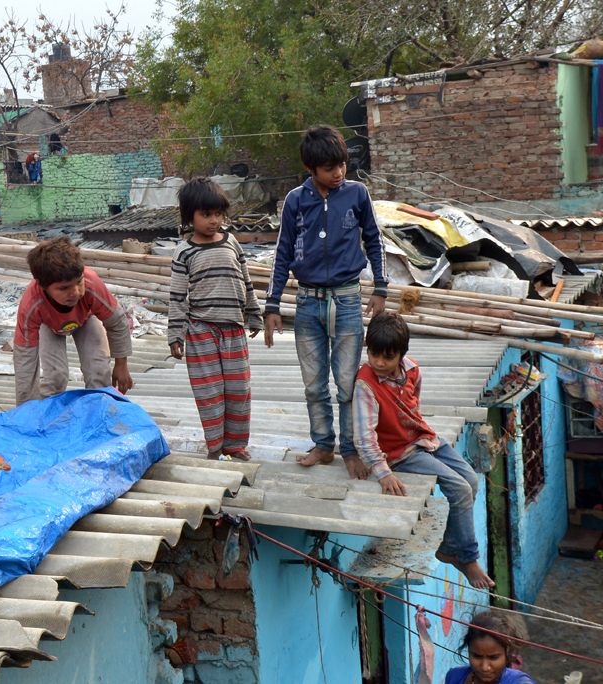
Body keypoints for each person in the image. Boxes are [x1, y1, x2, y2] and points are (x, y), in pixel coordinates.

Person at [263, 124, 387, 475]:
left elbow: (375, 240)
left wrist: (380, 287)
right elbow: (282, 252)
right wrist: (272, 305)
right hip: (307, 302)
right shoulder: (295, 201)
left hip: (348, 299)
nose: (339, 173)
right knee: (314, 383)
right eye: (330, 167)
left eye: (342, 165)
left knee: (347, 382)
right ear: (310, 168)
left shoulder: (357, 194)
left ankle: (350, 448)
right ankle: (323, 444)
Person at [353, 312, 494, 589]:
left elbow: (412, 407)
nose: (379, 363)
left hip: (423, 438)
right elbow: (364, 436)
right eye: (373, 354)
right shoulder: (365, 384)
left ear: (401, 355)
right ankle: (467, 557)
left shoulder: (413, 370)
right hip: (399, 453)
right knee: (460, 488)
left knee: (473, 479)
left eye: (387, 357)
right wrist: (383, 473)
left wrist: (425, 439)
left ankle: (449, 548)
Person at [168, 178, 263, 461]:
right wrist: (175, 334)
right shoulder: (184, 251)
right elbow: (177, 297)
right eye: (206, 215)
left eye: (218, 214)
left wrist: (254, 313)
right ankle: (215, 448)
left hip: (233, 329)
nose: (214, 221)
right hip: (200, 331)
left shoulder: (232, 242)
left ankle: (235, 446)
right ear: (189, 217)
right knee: (210, 393)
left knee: (238, 389)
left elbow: (246, 281)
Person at [13, 237, 134, 404]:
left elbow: (117, 322)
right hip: (49, 326)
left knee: (98, 372)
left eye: (78, 282)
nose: (75, 292)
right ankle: (48, 415)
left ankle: (97, 411)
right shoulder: (32, 305)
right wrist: (25, 410)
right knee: (56, 377)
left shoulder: (91, 283)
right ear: (42, 286)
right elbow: (25, 359)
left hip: (87, 318)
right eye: (63, 288)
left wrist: (121, 364)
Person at [445, 610, 534, 684]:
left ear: (507, 652)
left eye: (493, 657)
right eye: (477, 656)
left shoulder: (519, 681)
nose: (485, 667)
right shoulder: (454, 677)